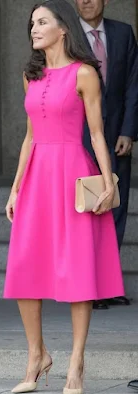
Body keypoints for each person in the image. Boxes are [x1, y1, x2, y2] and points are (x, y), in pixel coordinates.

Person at [4, 0, 124, 394]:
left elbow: (96, 133)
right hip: (37, 175)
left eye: (42, 22)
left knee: (77, 269)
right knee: (24, 266)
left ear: (64, 29)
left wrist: (107, 182)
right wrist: (16, 186)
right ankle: (36, 355)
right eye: (31, 22)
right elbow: (29, 136)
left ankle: (76, 363)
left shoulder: (84, 73)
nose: (33, 28)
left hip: (73, 172)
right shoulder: (30, 74)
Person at [75, 0, 138, 310]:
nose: (86, 0)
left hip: (115, 138)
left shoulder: (124, 33)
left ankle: (109, 285)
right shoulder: (67, 33)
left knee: (115, 207)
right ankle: (90, 287)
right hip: (79, 138)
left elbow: (133, 86)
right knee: (88, 213)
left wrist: (129, 130)